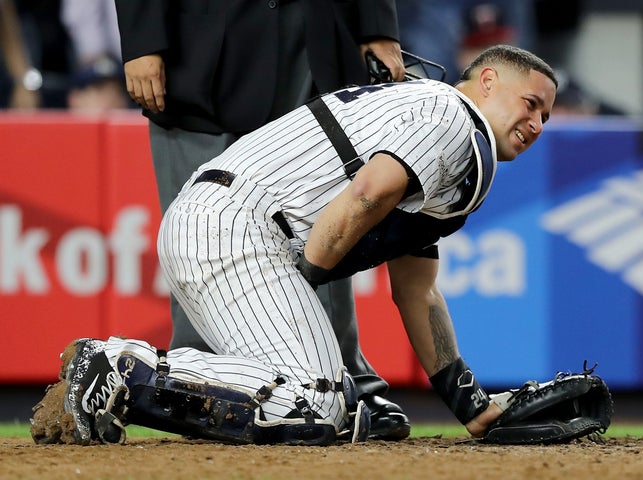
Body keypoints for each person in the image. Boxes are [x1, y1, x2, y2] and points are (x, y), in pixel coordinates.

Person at [35, 44, 557, 447]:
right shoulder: (452, 117)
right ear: (487, 81)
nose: (535, 124)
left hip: (224, 221)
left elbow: (417, 292)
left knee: (337, 406)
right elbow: (368, 192)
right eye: (530, 104)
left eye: (545, 118)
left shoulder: (439, 124)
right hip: (239, 228)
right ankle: (121, 366)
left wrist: (469, 401)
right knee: (318, 401)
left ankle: (119, 377)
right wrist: (302, 283)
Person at [113, 1, 410, 440]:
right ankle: (199, 389)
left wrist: (376, 26)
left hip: (311, 33)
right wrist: (142, 40)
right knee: (199, 234)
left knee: (325, 220)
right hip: (199, 39)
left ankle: (346, 382)